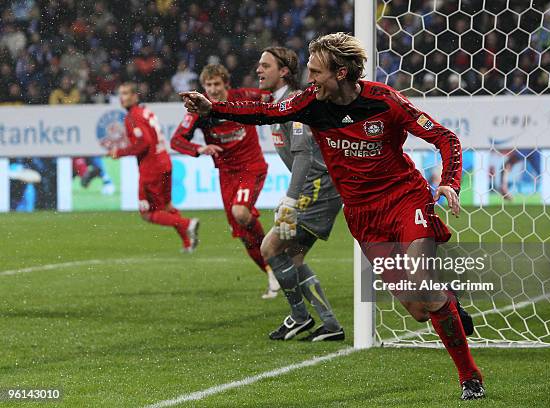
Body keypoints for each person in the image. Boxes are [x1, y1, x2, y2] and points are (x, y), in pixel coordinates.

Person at [181, 33, 484, 400]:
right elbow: (263, 113)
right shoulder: (310, 103)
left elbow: (445, 138)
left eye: (316, 72)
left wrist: (450, 182)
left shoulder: (384, 101)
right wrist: (212, 109)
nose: (309, 80)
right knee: (420, 310)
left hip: (404, 199)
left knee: (421, 278)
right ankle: (447, 301)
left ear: (341, 73)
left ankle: (469, 377)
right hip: (363, 216)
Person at [253, 47, 344, 341]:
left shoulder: (295, 103)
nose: (259, 70)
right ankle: (329, 324)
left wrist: (291, 199)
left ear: (283, 72)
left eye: (265, 65)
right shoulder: (277, 104)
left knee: (270, 248)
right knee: (293, 255)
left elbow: (304, 155)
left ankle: (299, 316)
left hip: (319, 188)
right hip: (314, 187)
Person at [171, 64, 280, 299]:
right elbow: (176, 141)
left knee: (241, 213)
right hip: (227, 174)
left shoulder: (244, 97)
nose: (213, 89)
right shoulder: (198, 111)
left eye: (217, 84)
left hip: (251, 166)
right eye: (208, 85)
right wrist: (200, 148)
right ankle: (272, 270)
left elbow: (275, 95)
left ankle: (275, 247)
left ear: (226, 84)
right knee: (242, 232)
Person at [109, 82, 199, 252]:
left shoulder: (133, 117)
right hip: (164, 162)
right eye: (121, 94)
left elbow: (144, 143)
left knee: (147, 213)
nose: (123, 97)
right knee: (166, 207)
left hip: (151, 169)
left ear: (135, 96)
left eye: (126, 93)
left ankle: (188, 224)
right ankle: (188, 243)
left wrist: (120, 152)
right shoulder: (144, 111)